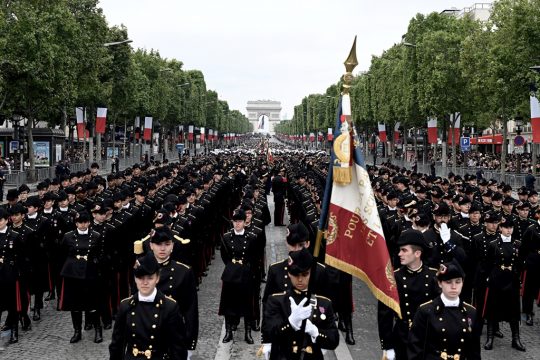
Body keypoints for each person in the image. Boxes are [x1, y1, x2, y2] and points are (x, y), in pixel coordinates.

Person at [261, 248, 339, 360]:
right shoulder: (276, 301)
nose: (300, 279)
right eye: (295, 275)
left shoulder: (324, 303)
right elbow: (270, 333)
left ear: (311, 274)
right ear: (289, 274)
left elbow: (333, 341)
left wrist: (315, 331)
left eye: (305, 274)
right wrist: (290, 322)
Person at [109, 251, 188, 360]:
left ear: (157, 278)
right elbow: (117, 345)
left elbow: (178, 347)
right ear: (135, 279)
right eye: (141, 278)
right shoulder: (125, 306)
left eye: (150, 278)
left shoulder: (169, 307)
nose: (145, 283)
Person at [378, 229, 439, 360]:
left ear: (417, 253)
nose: (399, 254)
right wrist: (387, 346)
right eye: (399, 250)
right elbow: (385, 315)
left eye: (404, 250)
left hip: (428, 338)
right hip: (402, 338)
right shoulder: (394, 278)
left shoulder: (434, 277)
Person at [407, 260, 481, 360]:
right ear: (440, 283)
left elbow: (474, 351)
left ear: (463, 283)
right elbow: (415, 349)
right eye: (448, 282)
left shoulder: (471, 312)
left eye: (458, 282)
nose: (454, 287)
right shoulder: (425, 311)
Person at [59, 211, 103, 343]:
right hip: (73, 275)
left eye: (85, 222)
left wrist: (96, 266)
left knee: (93, 303)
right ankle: (77, 331)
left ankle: (97, 329)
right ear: (76, 223)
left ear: (89, 223)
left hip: (90, 274)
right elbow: (62, 254)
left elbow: (100, 253)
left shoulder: (96, 236)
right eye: (80, 222)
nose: (83, 225)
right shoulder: (68, 237)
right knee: (75, 305)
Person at [482, 218, 526, 351]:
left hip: (511, 280)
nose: (509, 230)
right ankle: (490, 338)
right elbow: (488, 263)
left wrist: (516, 274)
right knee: (492, 309)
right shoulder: (493, 244)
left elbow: (521, 262)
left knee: (514, 311)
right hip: (497, 279)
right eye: (506, 227)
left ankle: (516, 339)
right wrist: (490, 278)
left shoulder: (518, 244)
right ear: (500, 228)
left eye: (511, 228)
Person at [219, 209, 257, 344]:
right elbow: (224, 256)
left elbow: (254, 256)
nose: (237, 224)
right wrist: (232, 266)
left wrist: (246, 268)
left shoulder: (251, 237)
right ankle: (228, 332)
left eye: (240, 221)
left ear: (244, 223)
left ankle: (248, 333)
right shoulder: (226, 237)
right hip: (230, 274)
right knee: (228, 304)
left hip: (245, 274)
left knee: (247, 305)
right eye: (235, 221)